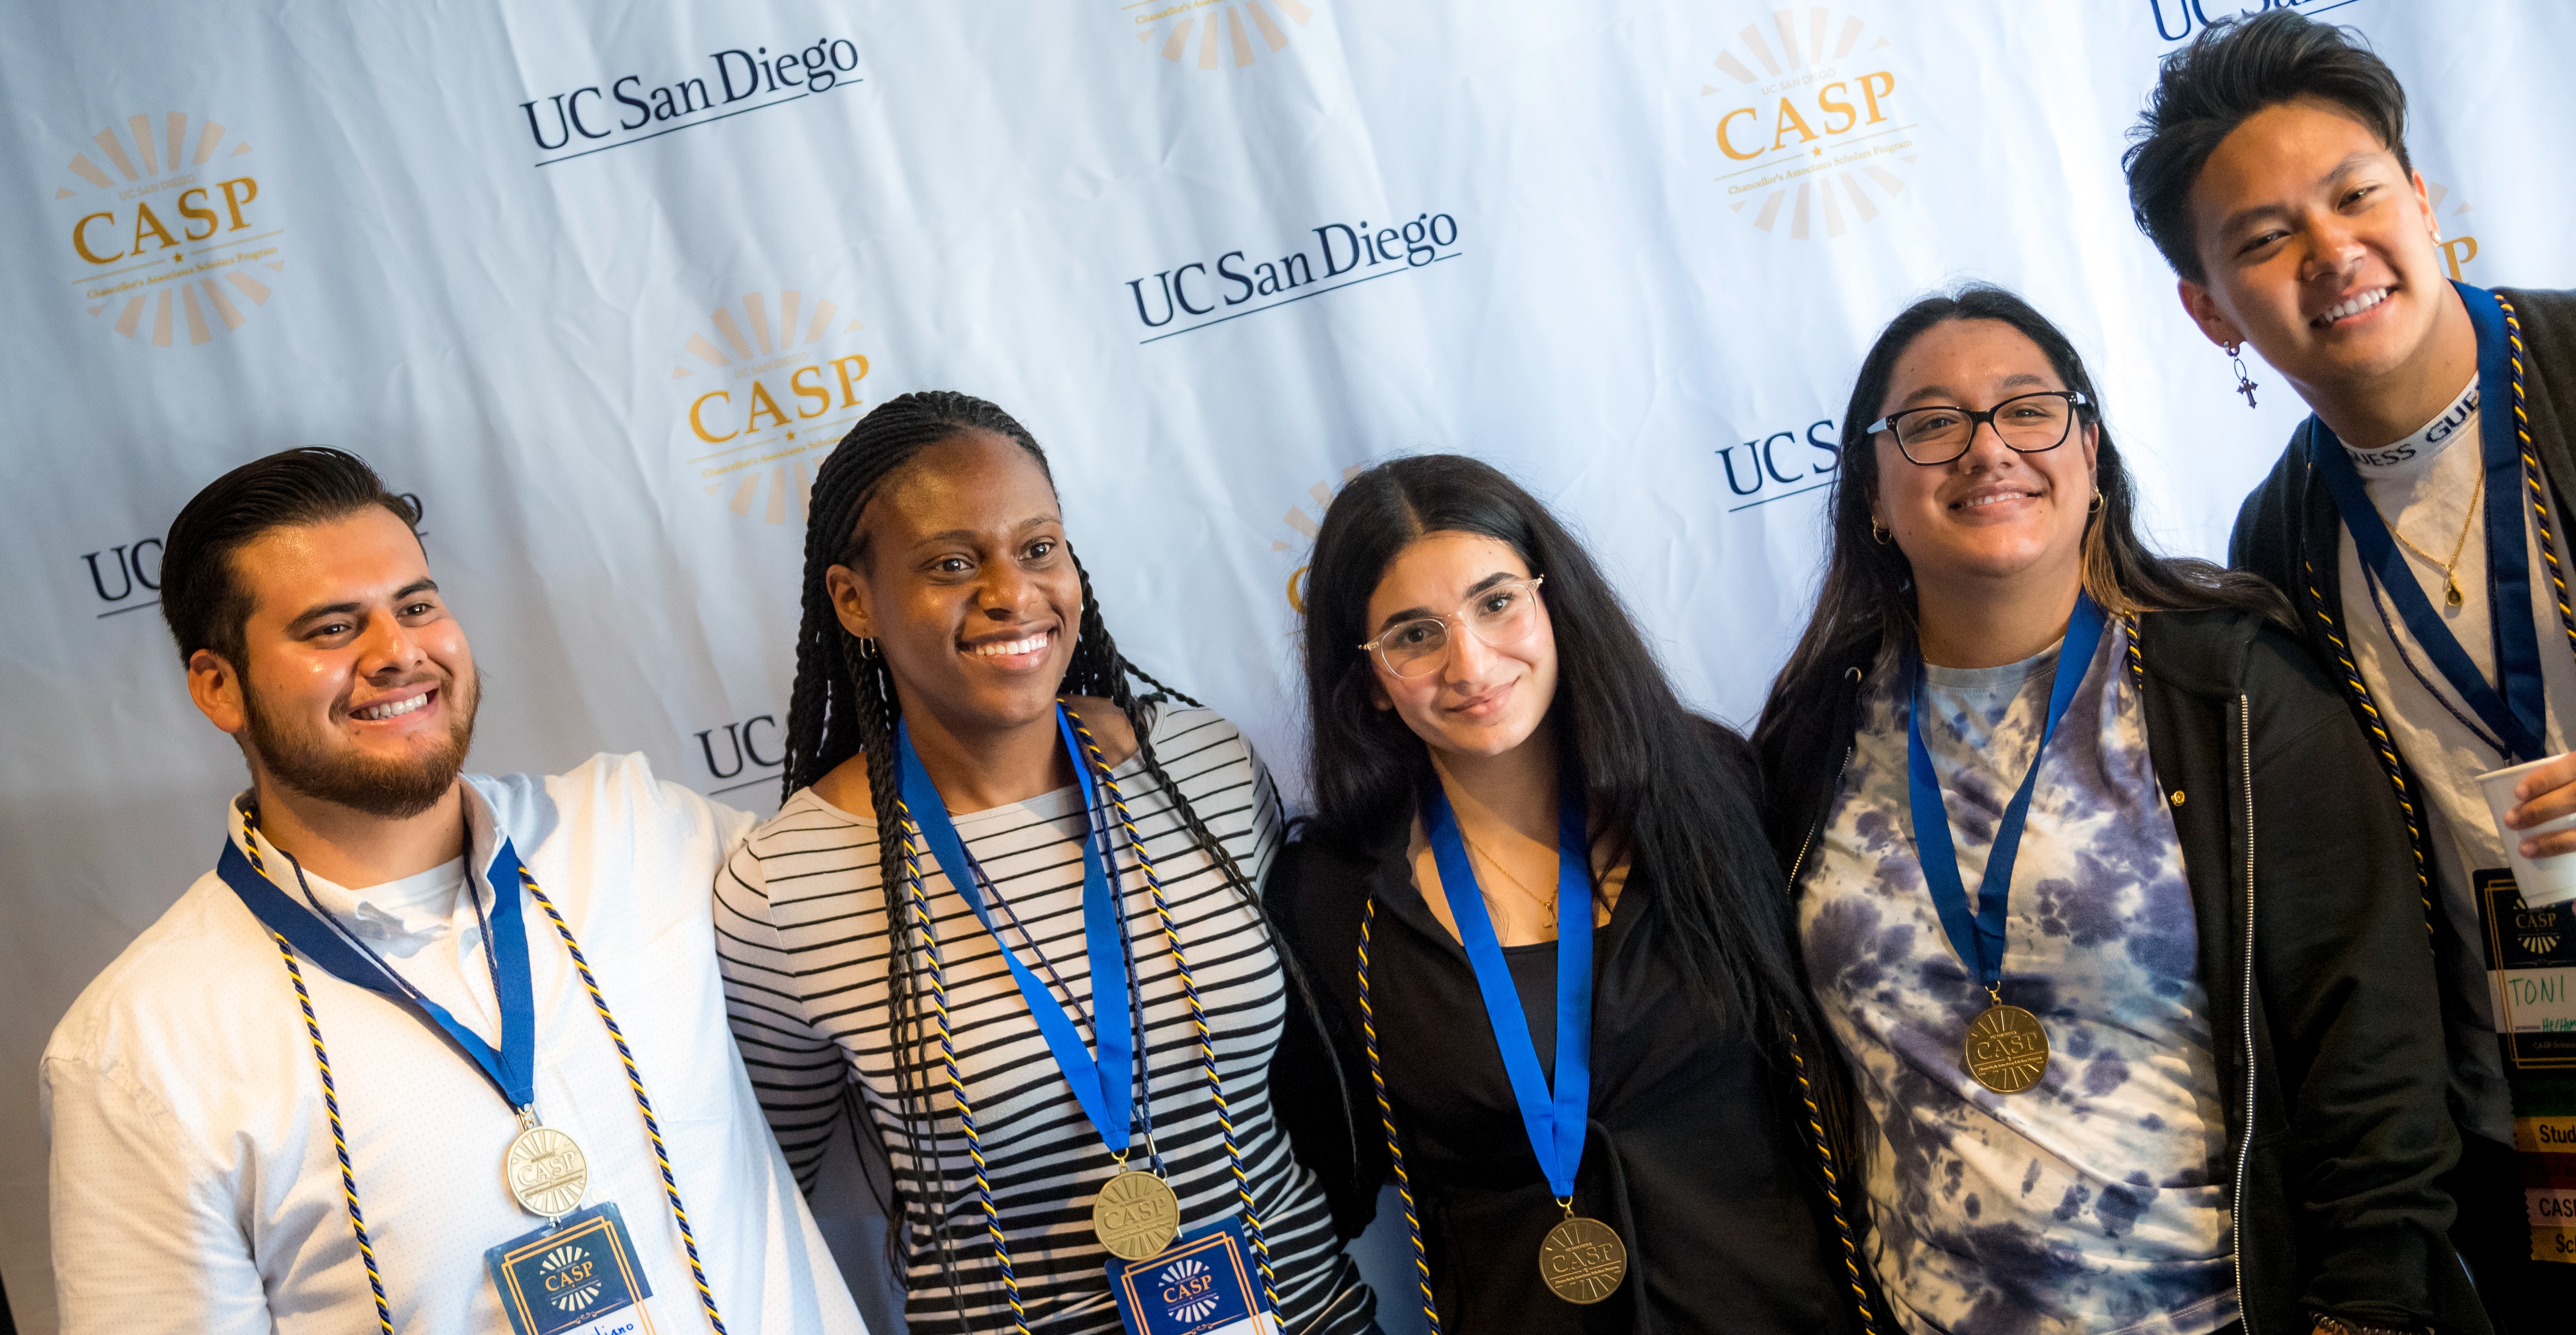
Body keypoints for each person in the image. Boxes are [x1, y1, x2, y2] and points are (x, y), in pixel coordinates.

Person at [1752, 286, 2488, 1335]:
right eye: (1929, 424)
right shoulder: (1809, 742)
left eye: (2028, 409)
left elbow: (2372, 1057)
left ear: (2089, 454)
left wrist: (2366, 1311)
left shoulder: (2230, 691)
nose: (1987, 448)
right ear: (1872, 493)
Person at [40, 447, 864, 1335]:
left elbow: (905, 890)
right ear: (218, 685)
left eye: (417, 605)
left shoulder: (637, 829)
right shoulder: (138, 1048)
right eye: (331, 628)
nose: (398, 653)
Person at [712, 391, 1374, 1335]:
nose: (1013, 593)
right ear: (854, 600)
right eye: (950, 563)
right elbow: (763, 1192)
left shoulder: (1203, 770)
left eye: (1038, 548)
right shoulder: (786, 884)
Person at [2123, 12, 2576, 1326]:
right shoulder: (2277, 543)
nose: (2331, 253)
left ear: (2421, 199)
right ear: (2209, 309)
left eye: (2355, 195)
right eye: (2264, 240)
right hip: (2532, 1120)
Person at [1265, 453, 1880, 1335]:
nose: (1470, 663)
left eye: (1496, 601)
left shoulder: (1709, 788)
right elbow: (1311, 1180)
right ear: (1368, 678)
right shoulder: (1334, 905)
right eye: (1413, 634)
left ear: (1552, 599)